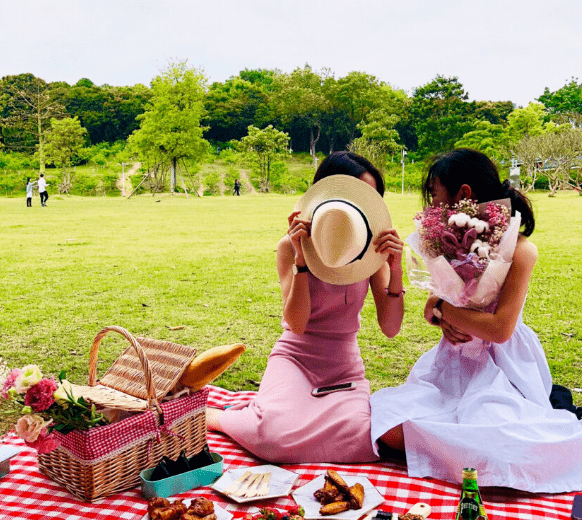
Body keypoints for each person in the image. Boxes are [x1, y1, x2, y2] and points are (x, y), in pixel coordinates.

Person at [370, 148, 582, 493]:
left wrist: (447, 310)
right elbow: (431, 308)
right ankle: (457, 450)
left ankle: (469, 452)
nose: (433, 206)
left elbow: (500, 330)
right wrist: (437, 311)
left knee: (495, 438)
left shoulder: (521, 250)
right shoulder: (450, 244)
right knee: (384, 422)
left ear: (464, 194)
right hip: (449, 365)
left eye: (436, 195)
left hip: (500, 368)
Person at [207, 151, 405, 463]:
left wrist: (395, 269)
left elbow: (391, 329)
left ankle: (271, 412)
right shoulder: (291, 245)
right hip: (295, 357)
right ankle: (221, 418)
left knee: (364, 438)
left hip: (343, 364)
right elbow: (297, 324)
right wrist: (302, 259)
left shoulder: (371, 253)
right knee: (272, 437)